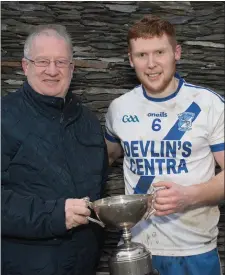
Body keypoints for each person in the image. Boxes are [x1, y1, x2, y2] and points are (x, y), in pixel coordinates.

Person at [105, 15, 224, 275]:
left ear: (176, 53)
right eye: (141, 55)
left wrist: (188, 197)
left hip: (194, 250)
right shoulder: (118, 108)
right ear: (130, 59)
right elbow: (103, 159)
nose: (151, 64)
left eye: (159, 52)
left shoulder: (207, 104)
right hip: (137, 248)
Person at [1, 24, 108, 275]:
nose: (52, 70)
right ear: (25, 66)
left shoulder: (89, 122)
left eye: (61, 62)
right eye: (42, 61)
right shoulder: (4, 116)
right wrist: (55, 214)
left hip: (84, 265)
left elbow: (99, 187)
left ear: (71, 69)